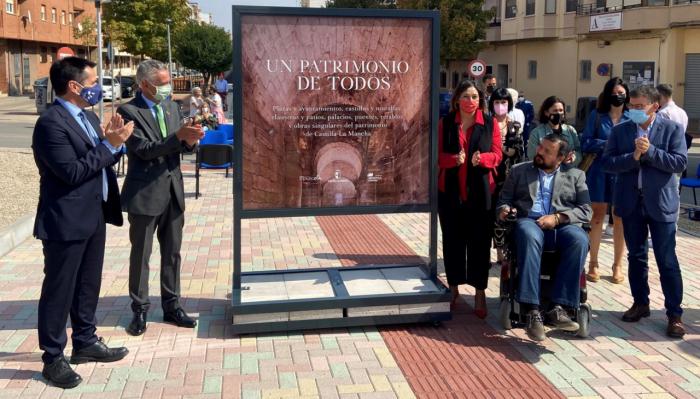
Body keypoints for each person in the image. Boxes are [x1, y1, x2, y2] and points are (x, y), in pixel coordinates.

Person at [32, 57, 132, 388]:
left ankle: (86, 342)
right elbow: (72, 171)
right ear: (75, 86)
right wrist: (109, 145)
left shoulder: (86, 117)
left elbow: (101, 160)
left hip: (94, 214)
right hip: (65, 220)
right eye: (92, 82)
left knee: (88, 284)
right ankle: (52, 357)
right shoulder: (51, 123)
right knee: (60, 289)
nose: (97, 88)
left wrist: (113, 142)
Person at [118, 60, 205, 337]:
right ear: (144, 84)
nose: (167, 88)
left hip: (172, 191)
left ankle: (172, 305)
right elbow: (142, 149)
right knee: (141, 254)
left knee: (173, 252)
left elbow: (179, 149)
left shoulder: (171, 106)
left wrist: (190, 141)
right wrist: (177, 137)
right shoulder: (128, 111)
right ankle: (140, 309)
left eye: (168, 82)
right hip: (145, 194)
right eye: (162, 83)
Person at [602, 85, 688, 338]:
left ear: (654, 106)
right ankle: (641, 303)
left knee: (667, 259)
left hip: (661, 204)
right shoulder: (621, 131)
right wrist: (634, 156)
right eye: (632, 106)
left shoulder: (672, 128)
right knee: (636, 256)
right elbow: (607, 163)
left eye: (640, 107)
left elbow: (679, 162)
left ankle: (674, 313)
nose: (635, 111)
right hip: (631, 203)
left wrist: (651, 151)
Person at [497, 134, 592, 341]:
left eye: (548, 151)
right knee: (530, 236)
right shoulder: (519, 171)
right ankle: (532, 310)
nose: (540, 152)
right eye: (541, 147)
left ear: (561, 158)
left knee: (580, 240)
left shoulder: (576, 175)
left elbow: (586, 211)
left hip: (561, 225)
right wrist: (504, 210)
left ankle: (559, 308)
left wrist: (557, 218)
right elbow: (503, 200)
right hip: (529, 222)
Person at [438, 79, 502, 318]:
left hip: (481, 192)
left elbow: (497, 155)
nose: (470, 101)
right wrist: (453, 160)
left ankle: (480, 292)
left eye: (474, 97)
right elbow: (437, 156)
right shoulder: (445, 123)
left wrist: (482, 159)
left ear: (480, 100)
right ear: (456, 100)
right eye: (465, 96)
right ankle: (453, 288)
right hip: (451, 193)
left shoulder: (489, 123)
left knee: (479, 244)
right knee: (453, 242)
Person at [581, 77, 631, 284]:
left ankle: (617, 265)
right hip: (600, 170)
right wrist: (609, 143)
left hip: (623, 172)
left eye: (622, 93)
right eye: (615, 92)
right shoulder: (597, 115)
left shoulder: (631, 117)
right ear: (608, 94)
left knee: (619, 218)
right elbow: (586, 142)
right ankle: (593, 263)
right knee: (597, 217)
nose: (618, 96)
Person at [527, 96, 582, 168]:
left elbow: (579, 152)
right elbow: (532, 157)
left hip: (567, 174)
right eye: (555, 111)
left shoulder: (570, 130)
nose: (558, 113)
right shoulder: (536, 133)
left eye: (561, 110)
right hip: (545, 175)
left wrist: (573, 158)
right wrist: (557, 160)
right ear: (546, 112)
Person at [656, 84, 690, 175]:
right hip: (679, 151)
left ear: (660, 95)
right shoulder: (682, 111)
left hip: (666, 154)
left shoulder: (662, 113)